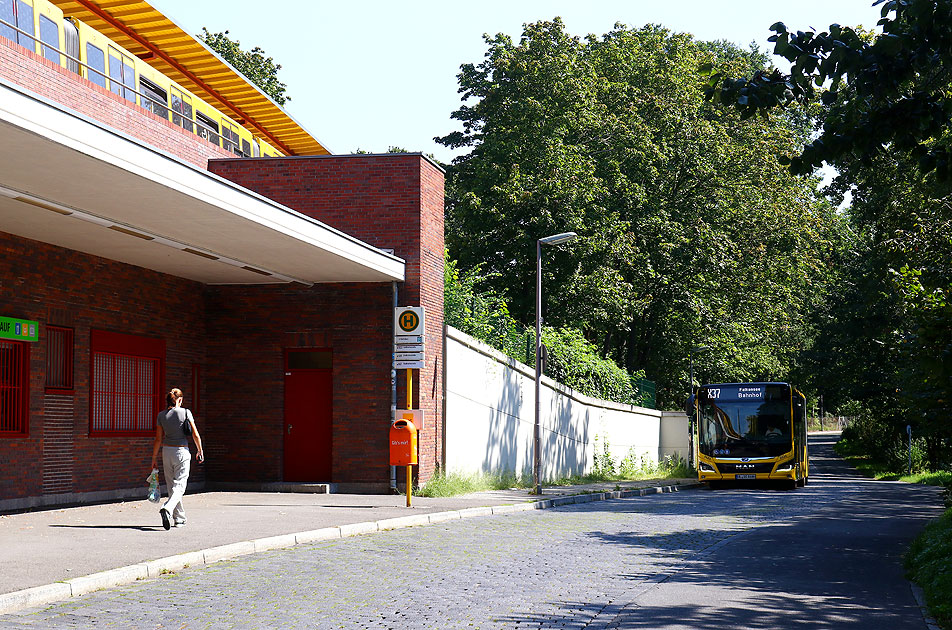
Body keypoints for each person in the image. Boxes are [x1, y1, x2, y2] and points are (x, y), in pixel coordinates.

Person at [150, 388, 204, 530]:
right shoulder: (186, 412)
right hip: (181, 451)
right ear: (179, 400)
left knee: (171, 485)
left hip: (166, 451)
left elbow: (158, 439)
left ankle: (179, 518)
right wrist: (200, 450)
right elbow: (195, 434)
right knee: (180, 485)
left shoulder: (161, 415)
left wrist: (154, 457)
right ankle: (167, 508)